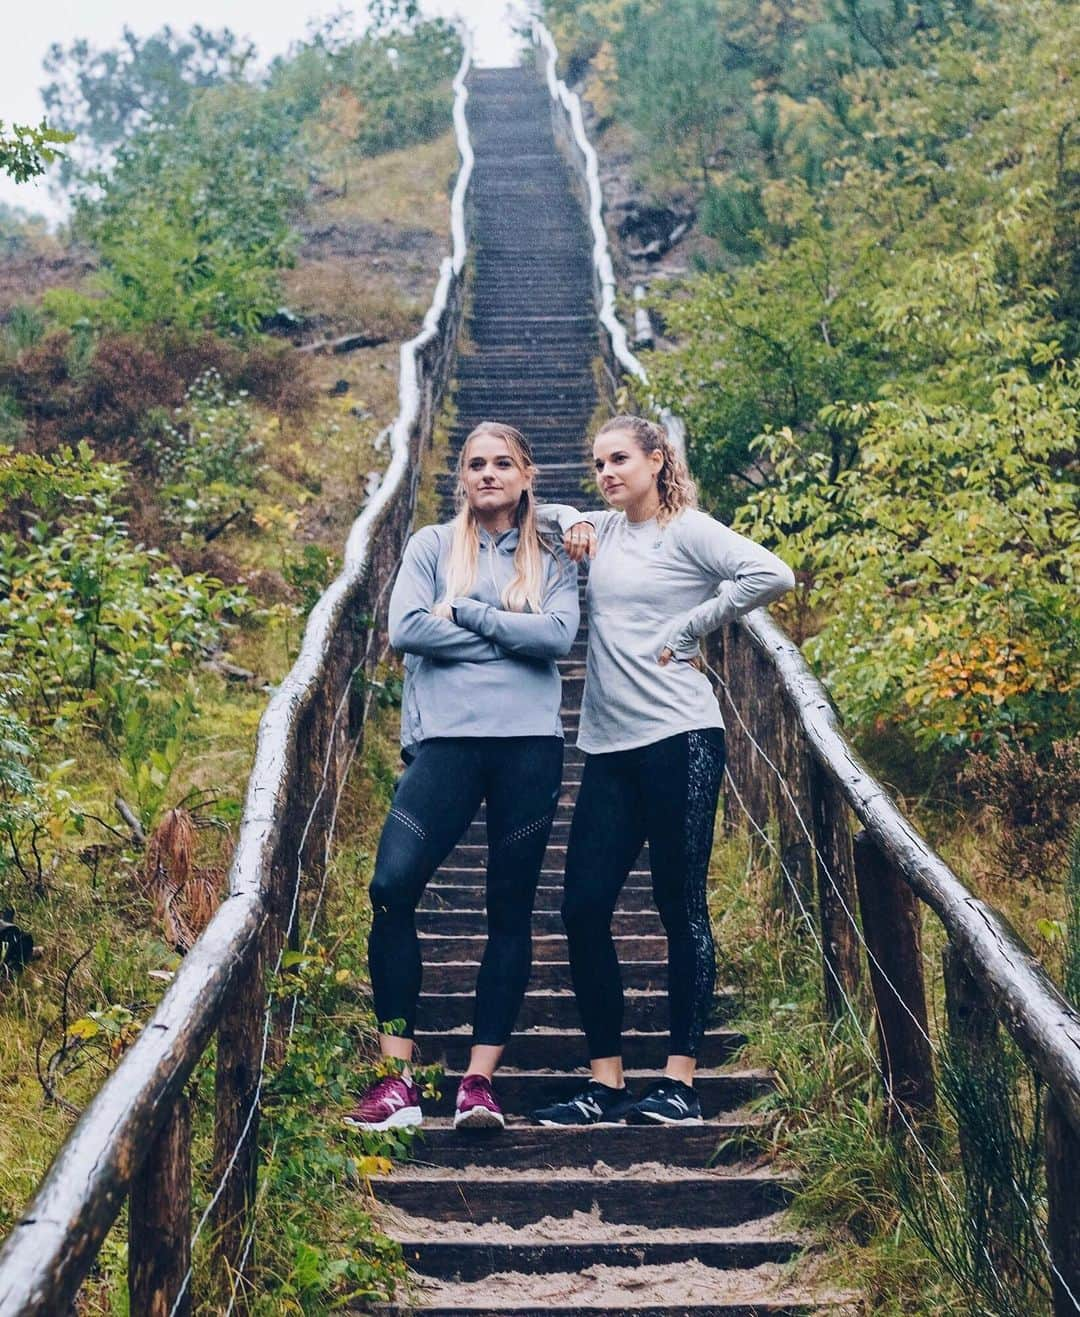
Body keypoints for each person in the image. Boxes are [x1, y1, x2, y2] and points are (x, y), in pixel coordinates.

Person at [529, 414, 795, 1127]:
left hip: (681, 735)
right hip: (608, 746)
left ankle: (679, 1081)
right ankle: (606, 1082)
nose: (607, 472)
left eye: (619, 459)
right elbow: (529, 508)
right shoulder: (602, 529)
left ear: (656, 459)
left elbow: (772, 572)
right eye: (597, 464)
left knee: (680, 905)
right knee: (582, 907)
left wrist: (690, 629)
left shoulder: (688, 529)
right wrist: (568, 516)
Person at [343, 422, 579, 1132]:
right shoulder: (431, 546)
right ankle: (398, 1081)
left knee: (509, 911)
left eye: (502, 462)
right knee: (392, 885)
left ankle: (479, 1082)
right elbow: (409, 629)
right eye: (475, 463)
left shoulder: (549, 552)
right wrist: (512, 629)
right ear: (462, 477)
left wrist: (471, 614)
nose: (487, 474)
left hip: (528, 748)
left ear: (526, 472)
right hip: (444, 741)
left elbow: (560, 638)